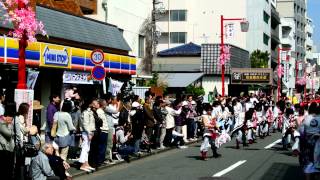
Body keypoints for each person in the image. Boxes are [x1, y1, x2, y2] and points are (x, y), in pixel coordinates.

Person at [299, 102, 320, 180]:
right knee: (318, 164)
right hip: (318, 144)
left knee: (308, 163)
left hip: (308, 143)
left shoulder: (306, 118)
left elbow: (301, 131)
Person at [0, 102, 16, 180]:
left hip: (9, 149)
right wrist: (9, 125)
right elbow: (9, 134)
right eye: (10, 117)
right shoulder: (1, 123)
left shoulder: (6, 123)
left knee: (9, 169)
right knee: (5, 170)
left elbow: (13, 133)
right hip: (4, 150)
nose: (11, 119)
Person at [79, 101, 96, 172]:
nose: (94, 104)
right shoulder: (86, 112)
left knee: (87, 149)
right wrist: (89, 133)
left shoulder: (89, 112)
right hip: (86, 133)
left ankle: (86, 164)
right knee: (85, 148)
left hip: (89, 132)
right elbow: (85, 124)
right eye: (92, 103)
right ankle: (83, 165)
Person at [104, 96, 120, 164]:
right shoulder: (106, 107)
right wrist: (118, 104)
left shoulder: (107, 107)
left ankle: (109, 158)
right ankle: (107, 159)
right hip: (109, 126)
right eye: (110, 99)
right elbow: (116, 111)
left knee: (110, 143)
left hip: (110, 126)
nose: (111, 100)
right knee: (109, 143)